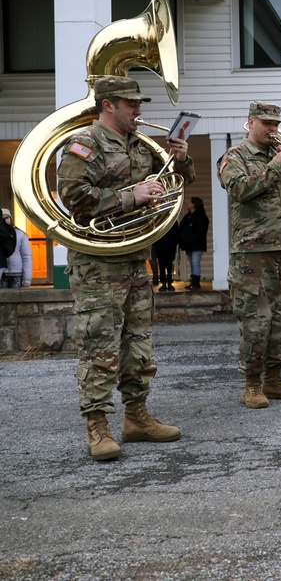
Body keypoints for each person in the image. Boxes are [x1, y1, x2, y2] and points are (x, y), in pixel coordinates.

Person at [57, 75, 195, 461]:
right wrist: (132, 195)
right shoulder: (86, 143)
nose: (139, 111)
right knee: (100, 345)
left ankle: (136, 417)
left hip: (135, 258)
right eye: (131, 104)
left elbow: (180, 181)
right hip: (98, 264)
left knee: (138, 344)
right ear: (108, 105)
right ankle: (97, 427)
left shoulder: (140, 145)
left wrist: (180, 160)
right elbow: (73, 196)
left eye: (139, 104)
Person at [218, 101, 281, 409]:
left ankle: (274, 380)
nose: (273, 129)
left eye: (276, 124)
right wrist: (274, 167)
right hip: (252, 253)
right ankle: (251, 384)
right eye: (266, 124)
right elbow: (239, 190)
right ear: (250, 123)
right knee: (256, 322)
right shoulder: (234, 157)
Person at [179, 196, 209, 290]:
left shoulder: (201, 217)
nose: (188, 204)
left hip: (197, 245)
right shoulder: (187, 217)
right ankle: (193, 282)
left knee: (195, 263)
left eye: (189, 203)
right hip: (188, 245)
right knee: (192, 263)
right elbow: (182, 227)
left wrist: (192, 239)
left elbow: (201, 231)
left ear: (194, 205)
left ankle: (196, 283)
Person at [0, 208, 32, 288]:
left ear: (11, 218)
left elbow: (27, 256)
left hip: (17, 273)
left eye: (7, 217)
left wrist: (27, 278)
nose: (5, 220)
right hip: (2, 273)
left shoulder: (21, 234)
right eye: (2, 218)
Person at [152, 220, 180, 292]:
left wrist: (174, 244)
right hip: (161, 248)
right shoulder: (159, 221)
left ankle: (169, 283)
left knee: (169, 266)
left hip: (170, 247)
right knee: (162, 267)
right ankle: (164, 283)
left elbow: (176, 234)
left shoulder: (173, 221)